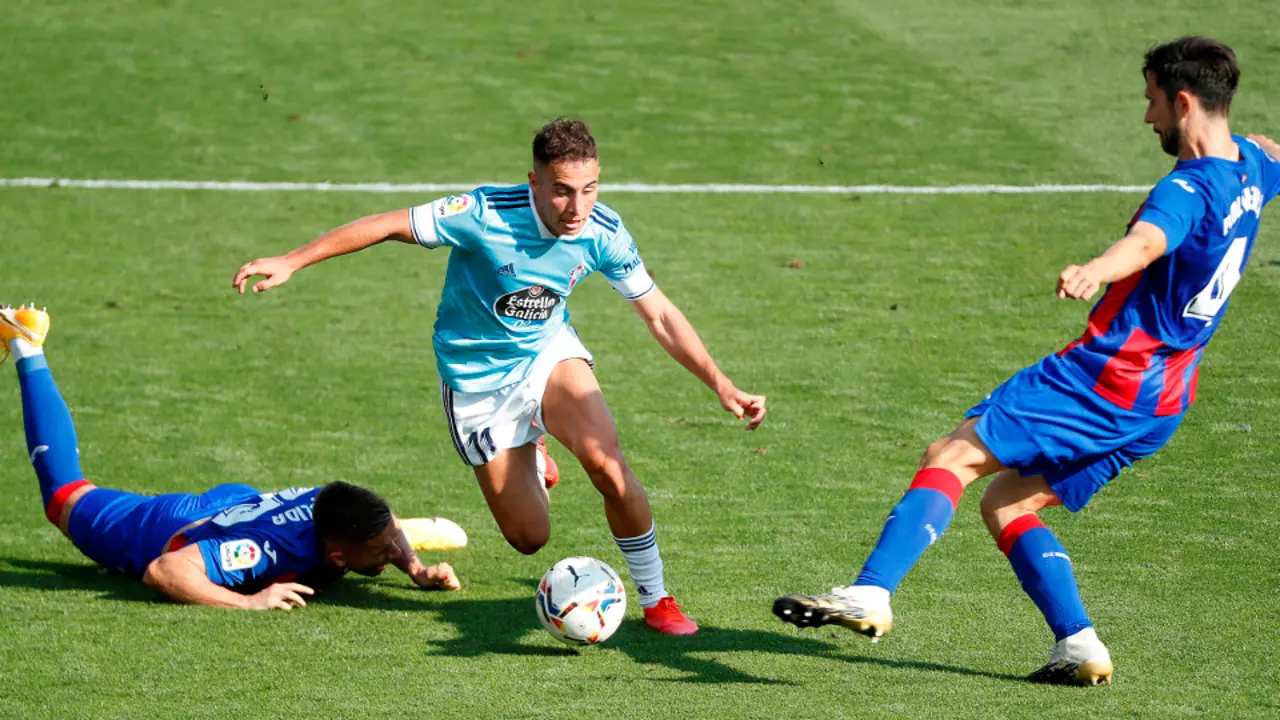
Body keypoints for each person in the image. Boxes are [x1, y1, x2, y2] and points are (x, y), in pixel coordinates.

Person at [774, 36, 1280, 685]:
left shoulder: (1186, 189)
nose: (1146, 118)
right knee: (1008, 504)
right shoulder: (1251, 173)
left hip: (1109, 378)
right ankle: (1079, 644)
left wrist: (1095, 271)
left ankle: (872, 591)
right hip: (1165, 401)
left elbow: (1147, 241)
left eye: (1152, 101)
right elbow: (1266, 150)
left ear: (1183, 102)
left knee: (950, 455)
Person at [232, 118, 767, 635]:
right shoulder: (482, 212)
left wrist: (720, 383)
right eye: (561, 191)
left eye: (590, 188)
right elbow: (388, 225)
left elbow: (660, 313)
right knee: (530, 538)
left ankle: (657, 600)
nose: (577, 207)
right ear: (533, 181)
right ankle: (534, 455)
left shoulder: (603, 231)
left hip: (547, 355)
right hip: (477, 385)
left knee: (608, 466)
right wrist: (293, 260)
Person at [1, 304, 461, 610]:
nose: (392, 549)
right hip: (168, 530)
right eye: (383, 549)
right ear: (338, 552)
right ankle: (26, 341)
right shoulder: (261, 554)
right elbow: (164, 572)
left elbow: (385, 517)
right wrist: (249, 601)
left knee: (376, 534)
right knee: (63, 493)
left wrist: (414, 568)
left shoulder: (342, 510)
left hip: (236, 505)